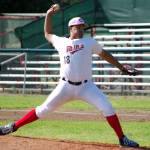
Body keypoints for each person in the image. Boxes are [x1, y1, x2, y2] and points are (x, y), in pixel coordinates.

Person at [0, 4, 139, 148]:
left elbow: (105, 55)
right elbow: (47, 33)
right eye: (77, 26)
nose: (80, 29)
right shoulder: (61, 42)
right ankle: (13, 126)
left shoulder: (89, 42)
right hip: (65, 86)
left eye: (82, 26)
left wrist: (121, 67)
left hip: (87, 87)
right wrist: (48, 14)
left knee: (108, 108)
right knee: (43, 110)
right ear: (70, 28)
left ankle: (122, 139)